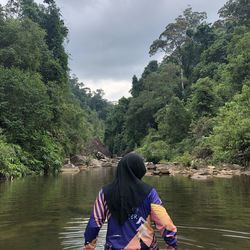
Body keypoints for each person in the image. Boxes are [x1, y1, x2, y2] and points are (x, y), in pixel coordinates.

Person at [84, 152, 177, 249]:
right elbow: (165, 223)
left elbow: (94, 224)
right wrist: (172, 246)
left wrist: (88, 247)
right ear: (140, 170)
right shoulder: (150, 193)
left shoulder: (104, 193)